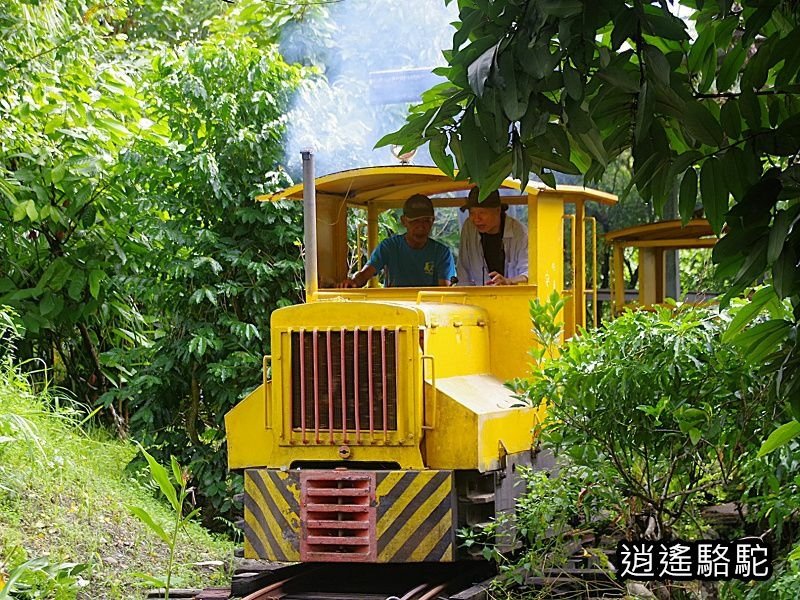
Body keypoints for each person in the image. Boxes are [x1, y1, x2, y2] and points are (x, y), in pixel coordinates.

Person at [340, 194, 455, 288]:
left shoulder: (442, 253)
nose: (421, 226)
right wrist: (353, 282)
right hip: (394, 308)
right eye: (414, 221)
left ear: (433, 221)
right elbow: (366, 273)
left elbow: (443, 290)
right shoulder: (389, 247)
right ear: (403, 221)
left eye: (426, 221)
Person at [457, 187, 528, 286]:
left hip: (512, 296)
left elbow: (528, 272)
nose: (476, 219)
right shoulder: (469, 226)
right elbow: (463, 269)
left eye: (482, 213)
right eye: (472, 213)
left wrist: (509, 281)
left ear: (498, 210)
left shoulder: (519, 232)